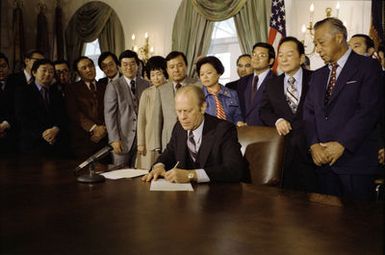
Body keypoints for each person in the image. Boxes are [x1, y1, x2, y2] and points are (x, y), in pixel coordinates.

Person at [303, 17, 383, 200]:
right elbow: (308, 113)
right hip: (322, 163)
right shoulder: (317, 76)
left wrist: (342, 144)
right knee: (326, 224)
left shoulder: (368, 67)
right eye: (315, 44)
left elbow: (368, 111)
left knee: (358, 224)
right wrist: (314, 145)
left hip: (355, 163)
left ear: (339, 38)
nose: (318, 49)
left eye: (321, 43)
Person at [142, 85, 246, 183]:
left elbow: (234, 169)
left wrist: (191, 175)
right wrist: (159, 166)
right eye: (179, 111)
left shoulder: (224, 129)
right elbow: (169, 153)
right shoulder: (179, 127)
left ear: (203, 107)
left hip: (216, 196)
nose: (182, 117)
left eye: (187, 111)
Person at [260, 37, 317, 192]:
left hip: (313, 149)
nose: (284, 59)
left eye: (289, 54)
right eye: (281, 55)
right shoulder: (272, 84)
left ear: (301, 58)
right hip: (284, 151)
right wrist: (277, 120)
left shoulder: (316, 78)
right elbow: (263, 111)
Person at [104, 50, 150, 167]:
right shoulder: (113, 86)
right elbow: (109, 115)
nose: (129, 67)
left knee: (140, 174)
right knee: (120, 175)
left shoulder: (147, 84)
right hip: (122, 140)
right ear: (119, 67)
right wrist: (114, 139)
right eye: (125, 64)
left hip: (142, 140)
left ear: (138, 65)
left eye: (132, 64)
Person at [14, 59, 67, 156]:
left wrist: (56, 129)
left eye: (51, 72)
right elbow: (22, 118)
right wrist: (43, 134)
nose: (48, 74)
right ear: (34, 72)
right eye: (44, 70)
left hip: (55, 144)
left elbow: (62, 115)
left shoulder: (56, 92)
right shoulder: (23, 92)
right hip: (32, 144)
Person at [154, 51, 200, 151]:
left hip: (194, 138)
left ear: (186, 66)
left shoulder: (198, 85)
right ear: (167, 70)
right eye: (171, 67)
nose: (176, 70)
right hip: (169, 140)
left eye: (179, 65)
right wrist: (157, 145)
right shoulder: (161, 90)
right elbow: (157, 118)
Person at [65, 56, 108, 159]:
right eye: (84, 68)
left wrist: (104, 129)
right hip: (84, 140)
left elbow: (111, 111)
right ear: (78, 73)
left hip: (105, 139)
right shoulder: (71, 89)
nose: (89, 70)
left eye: (90, 66)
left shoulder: (105, 86)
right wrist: (94, 128)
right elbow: (74, 112)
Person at [136, 56, 168, 169]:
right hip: (149, 139)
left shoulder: (171, 91)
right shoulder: (146, 93)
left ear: (165, 72)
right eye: (152, 75)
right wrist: (140, 142)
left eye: (159, 74)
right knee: (148, 171)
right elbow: (141, 119)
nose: (156, 78)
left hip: (166, 137)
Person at [196, 56, 243, 126]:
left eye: (208, 73)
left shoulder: (232, 94)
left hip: (230, 133)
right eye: (202, 74)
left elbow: (238, 115)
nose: (205, 77)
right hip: (208, 134)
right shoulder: (197, 96)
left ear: (219, 73)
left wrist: (239, 122)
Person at [237, 42, 276, 126]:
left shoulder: (277, 82)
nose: (256, 58)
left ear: (271, 61)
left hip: (267, 134)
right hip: (243, 133)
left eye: (262, 56)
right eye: (254, 54)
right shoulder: (243, 81)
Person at [0, 52, 17, 155]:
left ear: (9, 67)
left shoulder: (18, 85)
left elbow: (20, 110)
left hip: (13, 132)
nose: (0, 70)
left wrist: (5, 125)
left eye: (3, 66)